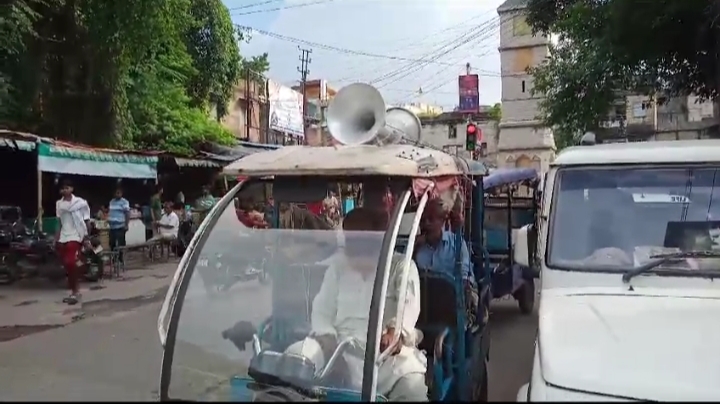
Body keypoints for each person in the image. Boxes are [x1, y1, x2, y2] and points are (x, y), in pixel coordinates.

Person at [284, 208, 428, 401]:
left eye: (361, 239)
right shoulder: (337, 267)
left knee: (412, 390)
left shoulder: (401, 265)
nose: (354, 246)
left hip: (386, 355)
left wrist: (395, 331)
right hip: (338, 349)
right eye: (351, 239)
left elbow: (408, 305)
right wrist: (326, 336)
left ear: (376, 239)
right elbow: (322, 309)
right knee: (293, 359)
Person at [414, 199, 479, 330]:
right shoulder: (416, 247)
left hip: (451, 300)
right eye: (423, 220)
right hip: (423, 301)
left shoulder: (456, 242)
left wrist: (463, 284)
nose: (426, 224)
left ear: (442, 221)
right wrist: (414, 248)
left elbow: (465, 272)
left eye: (431, 219)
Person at [55, 180, 91, 305]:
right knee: (67, 264)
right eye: (63, 188)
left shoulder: (80, 203)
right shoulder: (59, 204)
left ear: (72, 189)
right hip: (64, 235)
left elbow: (86, 220)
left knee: (70, 262)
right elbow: (59, 222)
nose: (65, 190)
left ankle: (75, 291)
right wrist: (56, 237)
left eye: (67, 187)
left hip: (76, 234)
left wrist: (87, 236)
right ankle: (74, 290)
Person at [108, 187, 130, 263]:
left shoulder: (124, 202)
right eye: (116, 193)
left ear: (121, 193)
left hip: (120, 226)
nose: (118, 194)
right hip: (112, 227)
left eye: (119, 193)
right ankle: (114, 259)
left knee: (120, 243)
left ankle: (121, 259)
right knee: (112, 243)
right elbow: (110, 212)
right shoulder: (112, 202)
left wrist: (126, 225)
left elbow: (127, 214)